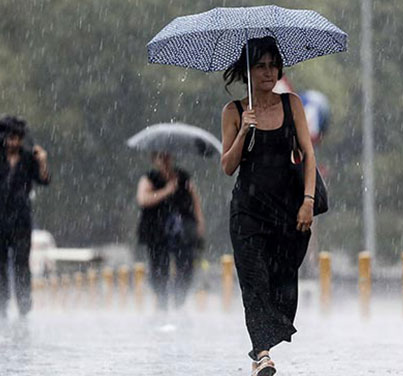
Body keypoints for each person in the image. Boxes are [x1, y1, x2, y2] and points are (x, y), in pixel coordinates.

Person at [220, 37, 317, 376]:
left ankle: (263, 345)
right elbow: (227, 166)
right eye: (260, 66)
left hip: (288, 213)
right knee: (254, 282)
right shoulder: (233, 112)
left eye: (273, 65)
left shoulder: (292, 104)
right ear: (248, 70)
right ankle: (262, 355)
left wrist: (308, 200)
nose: (268, 72)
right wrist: (244, 131)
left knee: (281, 284)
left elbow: (308, 154)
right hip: (247, 213)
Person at [0, 115, 50, 318]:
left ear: (21, 139)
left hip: (21, 219)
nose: (14, 142)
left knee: (22, 263)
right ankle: (0, 305)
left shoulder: (29, 158)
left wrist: (42, 162)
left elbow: (44, 179)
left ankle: (24, 304)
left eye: (17, 138)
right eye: (10, 138)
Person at [136, 152, 205, 311]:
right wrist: (166, 191)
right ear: (154, 160)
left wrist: (199, 222)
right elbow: (143, 199)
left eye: (168, 156)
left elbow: (195, 201)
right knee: (159, 268)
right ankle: (162, 301)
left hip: (182, 232)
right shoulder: (149, 178)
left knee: (186, 266)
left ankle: (179, 300)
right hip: (157, 232)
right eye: (161, 157)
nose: (165, 160)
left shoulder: (183, 177)